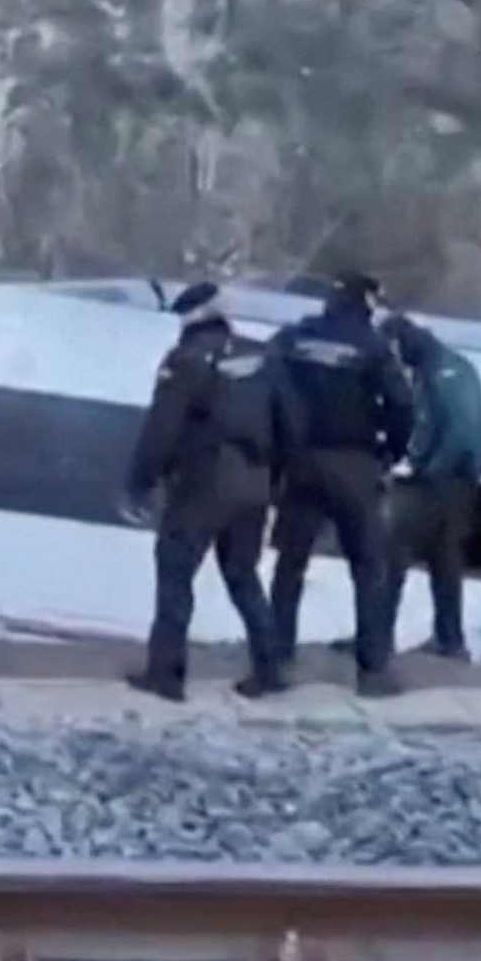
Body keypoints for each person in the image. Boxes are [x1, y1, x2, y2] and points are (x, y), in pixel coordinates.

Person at [122, 282, 285, 702]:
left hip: (202, 484)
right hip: (255, 483)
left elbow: (163, 427)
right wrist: (274, 478)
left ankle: (167, 675)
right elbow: (289, 422)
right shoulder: (261, 355)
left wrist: (140, 481)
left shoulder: (186, 360)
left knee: (175, 573)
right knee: (243, 576)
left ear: (190, 319)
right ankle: (269, 669)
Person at [265, 272, 417, 697]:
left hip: (301, 462)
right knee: (368, 568)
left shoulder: (294, 338)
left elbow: (268, 386)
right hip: (355, 464)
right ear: (366, 302)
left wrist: (281, 445)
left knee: (290, 564)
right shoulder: (374, 347)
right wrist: (392, 451)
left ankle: (275, 658)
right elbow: (403, 405)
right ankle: (371, 670)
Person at [379, 314, 481, 661]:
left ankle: (377, 637)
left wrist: (429, 467)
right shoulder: (443, 366)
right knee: (445, 561)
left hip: (443, 478)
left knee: (393, 555)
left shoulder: (444, 372)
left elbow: (462, 428)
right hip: (456, 479)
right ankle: (449, 639)